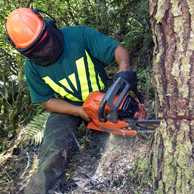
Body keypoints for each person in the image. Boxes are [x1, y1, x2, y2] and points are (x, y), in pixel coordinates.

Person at [6, 8, 137, 194]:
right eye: (36, 50)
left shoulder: (78, 35)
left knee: (111, 140)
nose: (46, 50)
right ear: (25, 52)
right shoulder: (32, 68)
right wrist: (77, 111)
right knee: (54, 144)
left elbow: (118, 50)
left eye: (45, 42)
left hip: (101, 97)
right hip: (68, 106)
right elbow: (46, 100)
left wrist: (124, 71)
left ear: (48, 26)